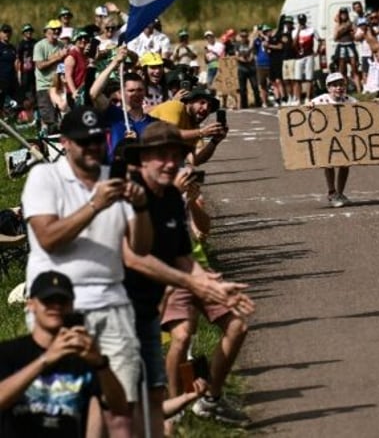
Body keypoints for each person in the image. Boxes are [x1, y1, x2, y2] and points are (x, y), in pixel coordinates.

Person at [21, 106, 152, 437]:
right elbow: (48, 239)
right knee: (60, 410)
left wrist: (140, 206)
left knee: (120, 407)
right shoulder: (44, 177)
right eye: (84, 142)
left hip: (112, 304)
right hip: (59, 306)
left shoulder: (115, 177)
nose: (93, 147)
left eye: (97, 140)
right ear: (65, 142)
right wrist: (94, 205)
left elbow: (141, 248)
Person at [120, 122, 254, 437]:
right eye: (161, 156)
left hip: (180, 273)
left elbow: (183, 251)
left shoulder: (168, 195)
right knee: (180, 337)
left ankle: (211, 399)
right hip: (139, 290)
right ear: (142, 160)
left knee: (238, 323)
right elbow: (134, 256)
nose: (171, 163)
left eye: (176, 155)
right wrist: (194, 282)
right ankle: (172, 408)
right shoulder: (129, 193)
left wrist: (210, 283)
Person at [0, 270, 128, 437]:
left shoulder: (84, 357)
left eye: (63, 300)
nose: (56, 306)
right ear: (30, 304)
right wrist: (45, 360)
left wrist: (101, 364)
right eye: (48, 300)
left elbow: (119, 407)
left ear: (72, 306)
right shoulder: (10, 352)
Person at [306, 72, 357, 207]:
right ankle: (331, 192)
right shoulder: (320, 100)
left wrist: (376, 106)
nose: (339, 88)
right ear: (328, 88)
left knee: (345, 165)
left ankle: (340, 193)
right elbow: (306, 108)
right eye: (334, 85)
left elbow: (363, 111)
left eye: (341, 85)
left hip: (344, 139)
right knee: (328, 164)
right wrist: (309, 107)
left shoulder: (350, 100)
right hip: (327, 139)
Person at [149, 87, 227, 166]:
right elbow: (169, 135)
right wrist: (201, 132)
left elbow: (195, 160)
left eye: (209, 106)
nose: (205, 108)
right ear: (189, 102)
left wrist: (215, 141)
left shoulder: (194, 127)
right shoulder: (175, 106)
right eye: (202, 103)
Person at [33, 19, 68, 132]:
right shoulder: (39, 46)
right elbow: (40, 66)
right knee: (49, 118)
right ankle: (46, 142)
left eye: (58, 29)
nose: (56, 31)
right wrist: (57, 57)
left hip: (58, 85)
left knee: (63, 116)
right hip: (44, 85)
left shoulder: (62, 45)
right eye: (53, 29)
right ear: (46, 31)